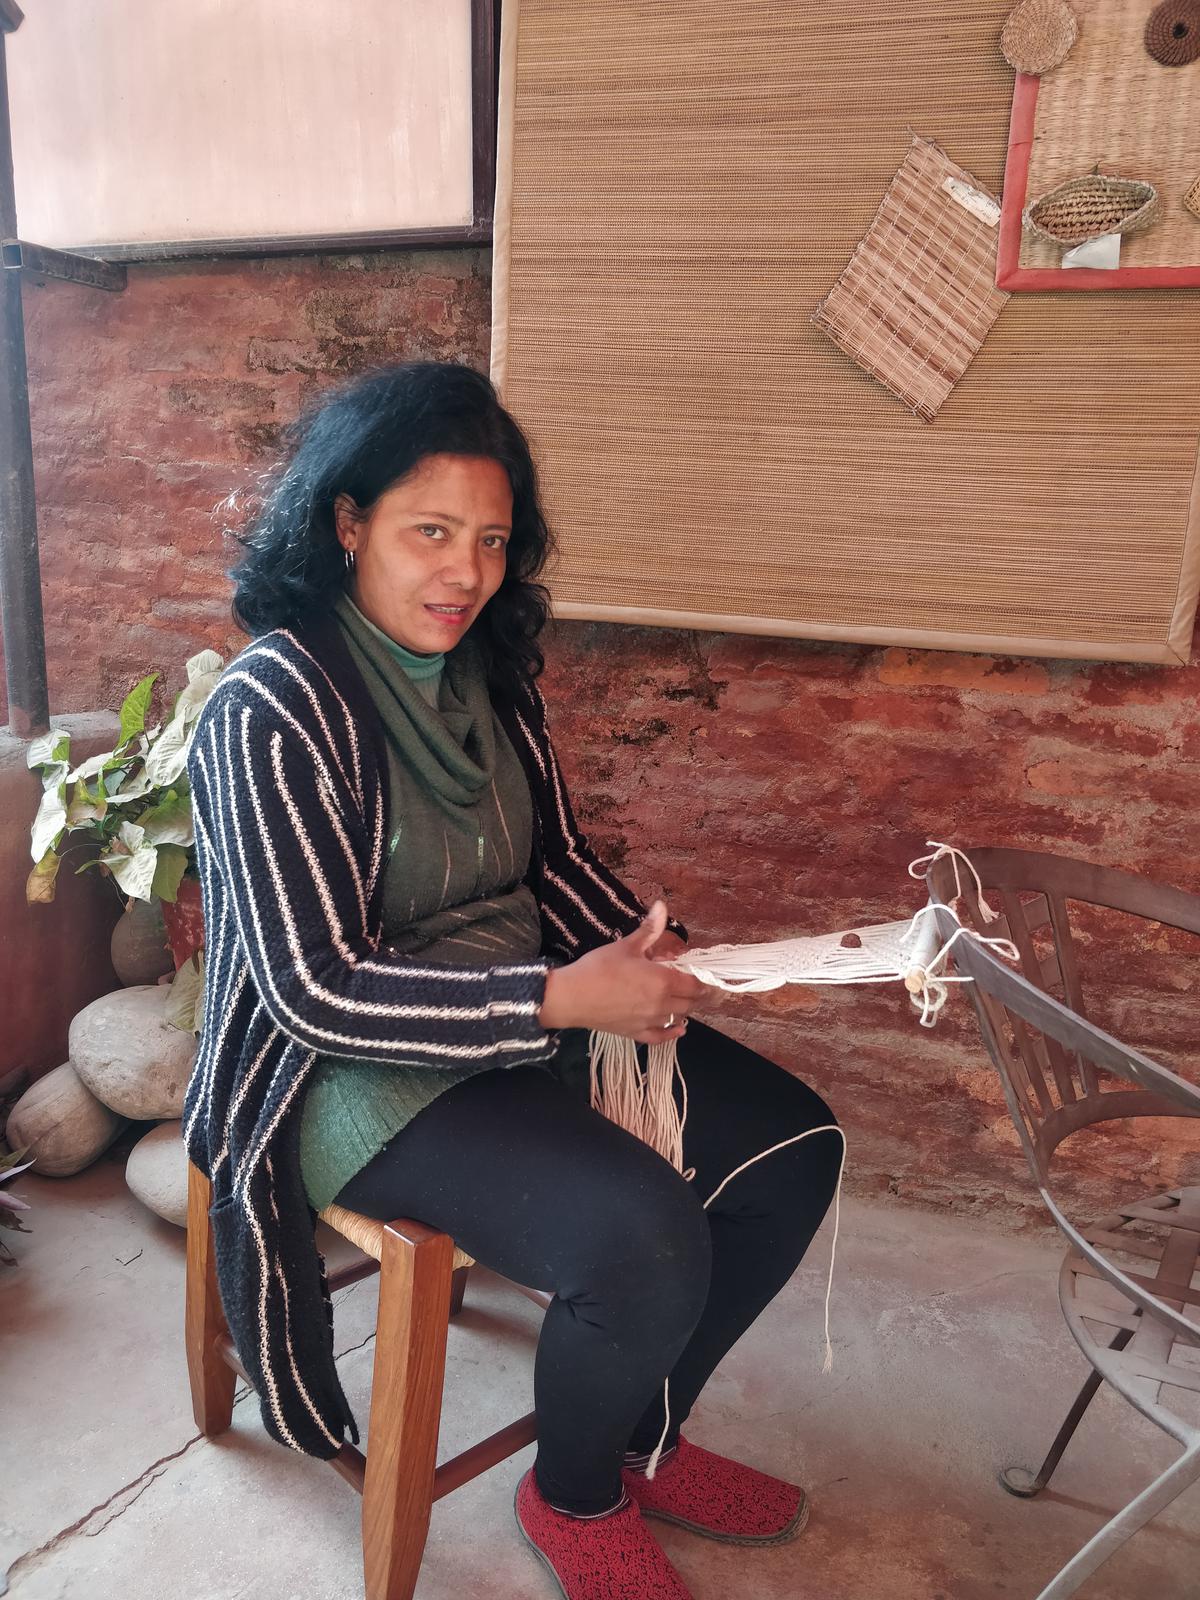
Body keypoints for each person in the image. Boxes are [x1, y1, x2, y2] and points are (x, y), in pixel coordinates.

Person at [184, 361, 842, 1600]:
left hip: (518, 1004)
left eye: (489, 540)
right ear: (347, 522)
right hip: (343, 1070)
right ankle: (575, 1489)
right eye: (429, 531)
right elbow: (311, 991)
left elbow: (558, 869)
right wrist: (558, 1002)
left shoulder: (490, 675)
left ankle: (636, 1431)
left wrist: (701, 966)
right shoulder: (271, 709)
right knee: (642, 1239)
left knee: (792, 1149)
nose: (464, 573)